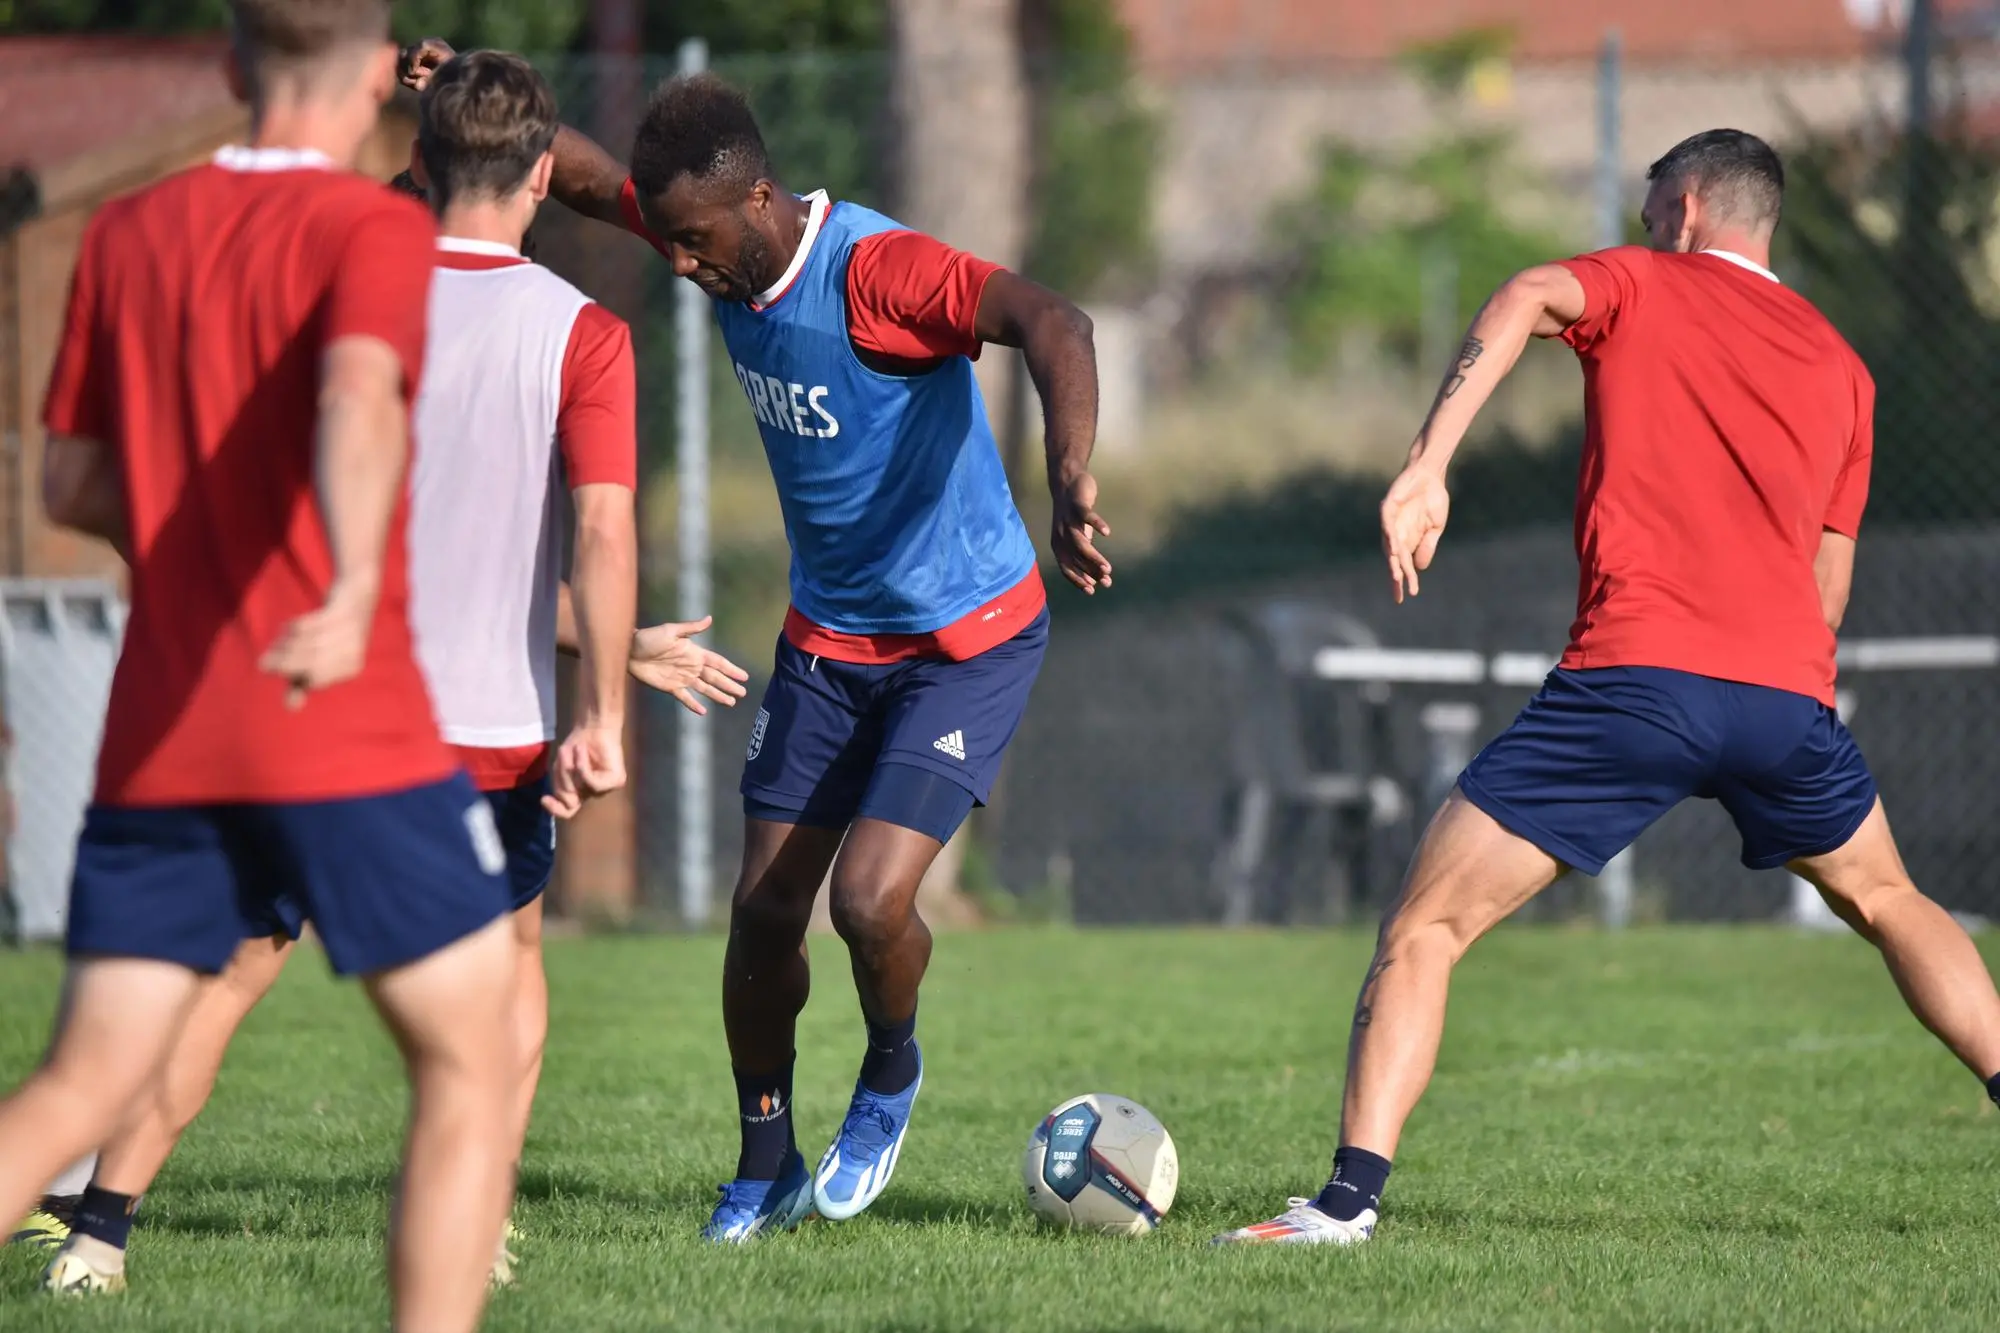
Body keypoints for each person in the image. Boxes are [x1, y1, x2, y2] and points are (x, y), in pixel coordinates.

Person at [31, 50, 751, 1295]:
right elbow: (595, 535)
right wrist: (602, 710)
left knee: (224, 978)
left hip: (303, 704)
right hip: (482, 736)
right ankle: (476, 1228)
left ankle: (99, 1230)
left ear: (415, 166)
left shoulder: (340, 288)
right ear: (542, 174)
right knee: (496, 996)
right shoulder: (580, 336)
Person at [1217, 129, 2000, 1246]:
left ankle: (1342, 1206)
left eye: (1644, 211)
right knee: (1887, 899)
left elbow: (1528, 292)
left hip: (1633, 683)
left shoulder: (1643, 282)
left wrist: (1425, 465)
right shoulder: (1843, 369)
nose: (1636, 230)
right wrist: (1770, 696)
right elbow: (1828, 586)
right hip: (1783, 699)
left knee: (1425, 927)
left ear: (1682, 207)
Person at [401, 42, 1113, 1242]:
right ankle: (765, 1162)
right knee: (760, 914)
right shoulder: (713, 241)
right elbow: (573, 179)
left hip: (966, 638)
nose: (678, 264)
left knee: (871, 904)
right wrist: (471, 105)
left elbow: (1051, 318)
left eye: (694, 242)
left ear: (757, 201)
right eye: (667, 242)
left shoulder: (878, 272)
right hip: (831, 641)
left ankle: (890, 1069)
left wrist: (1070, 470)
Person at [0, 2, 523, 1328]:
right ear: (371, 77)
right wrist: (346, 582)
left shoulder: (124, 232)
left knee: (75, 1083)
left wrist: (180, 544)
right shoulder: (372, 230)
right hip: (341, 719)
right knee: (473, 1057)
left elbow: (65, 479)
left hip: (165, 732)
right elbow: (353, 400)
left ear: (232, 66)